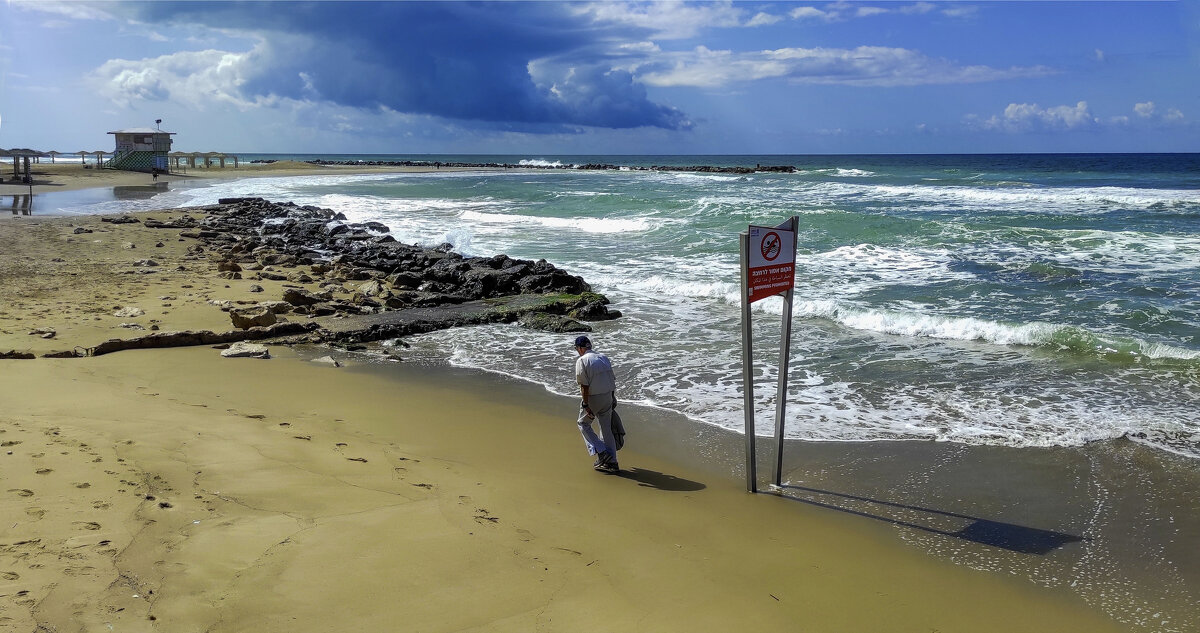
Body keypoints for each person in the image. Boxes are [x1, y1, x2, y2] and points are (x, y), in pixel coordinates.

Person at [573, 335, 621, 473]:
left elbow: (584, 386)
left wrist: (586, 405)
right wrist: (612, 399)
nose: (577, 351)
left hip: (594, 397)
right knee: (606, 429)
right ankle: (613, 462)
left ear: (581, 348)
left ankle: (602, 453)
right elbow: (612, 379)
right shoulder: (603, 358)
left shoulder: (582, 360)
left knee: (583, 424)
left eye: (577, 348)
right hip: (608, 396)